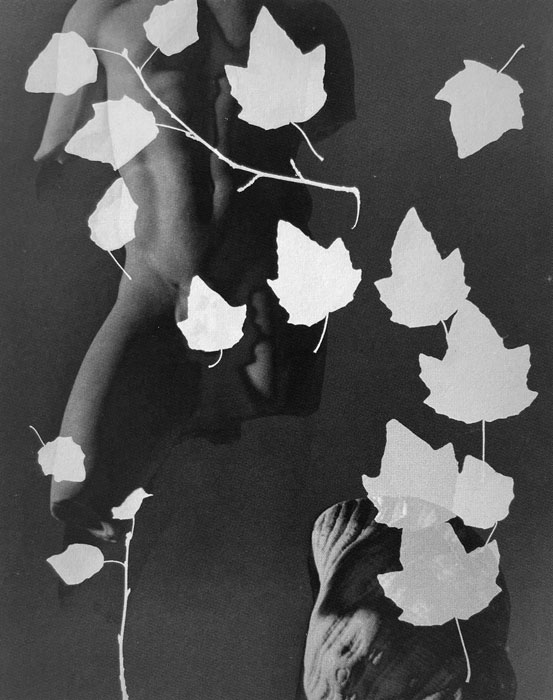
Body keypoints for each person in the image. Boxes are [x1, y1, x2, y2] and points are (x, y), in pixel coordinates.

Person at [35, 0, 355, 541]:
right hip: (159, 277)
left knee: (286, 425)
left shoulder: (312, 16)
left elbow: (51, 154)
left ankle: (188, 411)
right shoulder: (97, 11)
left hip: (263, 272)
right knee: (77, 495)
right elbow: (49, 158)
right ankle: (181, 410)